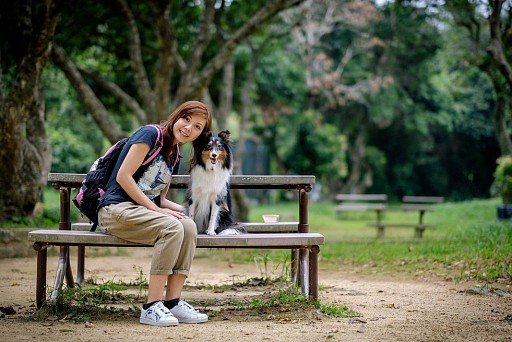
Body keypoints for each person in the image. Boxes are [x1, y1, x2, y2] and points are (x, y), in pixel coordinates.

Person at [98, 101, 212, 326]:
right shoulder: (150, 134)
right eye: (186, 120)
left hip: (141, 211)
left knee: (188, 226)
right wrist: (157, 210)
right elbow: (123, 176)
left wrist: (191, 211)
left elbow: (159, 199)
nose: (189, 128)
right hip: (115, 209)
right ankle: (151, 306)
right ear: (177, 116)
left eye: (197, 127)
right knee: (171, 227)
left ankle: (172, 303)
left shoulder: (175, 153)